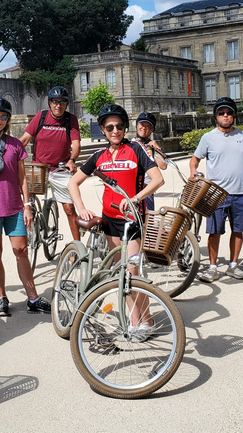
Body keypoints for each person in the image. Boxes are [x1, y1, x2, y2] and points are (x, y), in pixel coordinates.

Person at [68, 104, 163, 341]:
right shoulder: (98, 155)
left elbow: (158, 179)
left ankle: (143, 321)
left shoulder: (136, 149)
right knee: (123, 274)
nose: (115, 130)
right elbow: (72, 183)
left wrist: (135, 198)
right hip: (110, 222)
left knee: (132, 273)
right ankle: (137, 320)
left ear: (125, 127)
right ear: (102, 128)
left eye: (119, 126)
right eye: (110, 126)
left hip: (132, 221)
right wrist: (81, 208)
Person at [0, 96, 51, 317]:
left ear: (7, 120)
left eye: (3, 116)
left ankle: (32, 298)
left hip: (14, 206)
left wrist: (27, 205)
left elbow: (22, 177)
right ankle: (2, 297)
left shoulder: (15, 144)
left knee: (21, 251)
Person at [190, 97, 243, 282]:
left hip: (241, 191)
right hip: (216, 193)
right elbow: (195, 160)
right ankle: (212, 267)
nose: (225, 116)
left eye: (229, 112)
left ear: (234, 115)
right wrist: (194, 172)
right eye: (221, 113)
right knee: (214, 232)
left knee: (238, 230)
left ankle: (233, 265)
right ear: (216, 116)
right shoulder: (208, 138)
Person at [19, 86, 82, 241]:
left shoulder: (70, 120)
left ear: (66, 104)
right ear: (50, 103)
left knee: (69, 208)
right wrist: (10, 154)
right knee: (26, 202)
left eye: (62, 102)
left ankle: (78, 246)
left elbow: (76, 145)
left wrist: (72, 160)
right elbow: (25, 139)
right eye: (55, 102)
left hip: (60, 168)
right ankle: (25, 239)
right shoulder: (41, 116)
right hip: (38, 167)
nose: (58, 105)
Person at [132, 112, 168, 211]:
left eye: (148, 126)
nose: (144, 128)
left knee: (148, 220)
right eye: (142, 125)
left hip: (147, 189)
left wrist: (158, 148)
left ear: (152, 130)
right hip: (131, 189)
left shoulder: (151, 147)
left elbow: (163, 166)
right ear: (137, 126)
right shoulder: (129, 144)